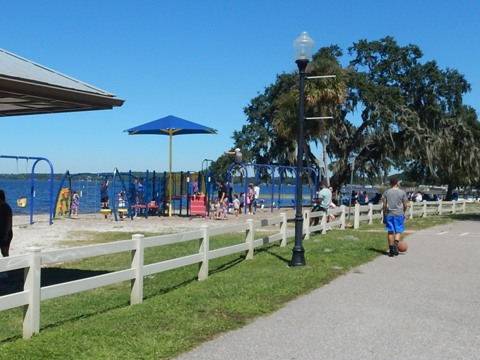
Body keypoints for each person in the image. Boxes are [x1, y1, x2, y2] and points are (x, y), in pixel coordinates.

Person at [382, 176, 408, 257]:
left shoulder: (386, 192)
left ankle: (391, 250)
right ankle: (396, 243)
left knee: (390, 231)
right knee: (398, 230)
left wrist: (384, 214)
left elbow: (384, 205)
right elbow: (405, 205)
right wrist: (404, 212)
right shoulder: (402, 192)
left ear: (390, 183)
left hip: (389, 214)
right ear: (397, 183)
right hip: (399, 213)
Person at [0, 190, 13, 258]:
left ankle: (8, 267)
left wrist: (6, 234)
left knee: (4, 251)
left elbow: (9, 222)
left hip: (5, 232)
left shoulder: (6, 207)